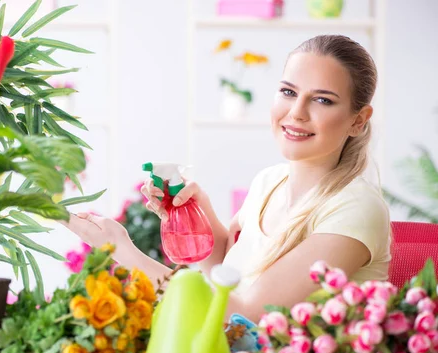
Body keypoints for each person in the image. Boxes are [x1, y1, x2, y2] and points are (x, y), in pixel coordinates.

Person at [62, 34, 391, 322]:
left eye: (322, 100)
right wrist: (195, 211)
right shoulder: (269, 180)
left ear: (358, 120)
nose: (297, 112)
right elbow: (226, 269)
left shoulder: (355, 207)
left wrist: (121, 249)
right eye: (288, 92)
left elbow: (245, 317)